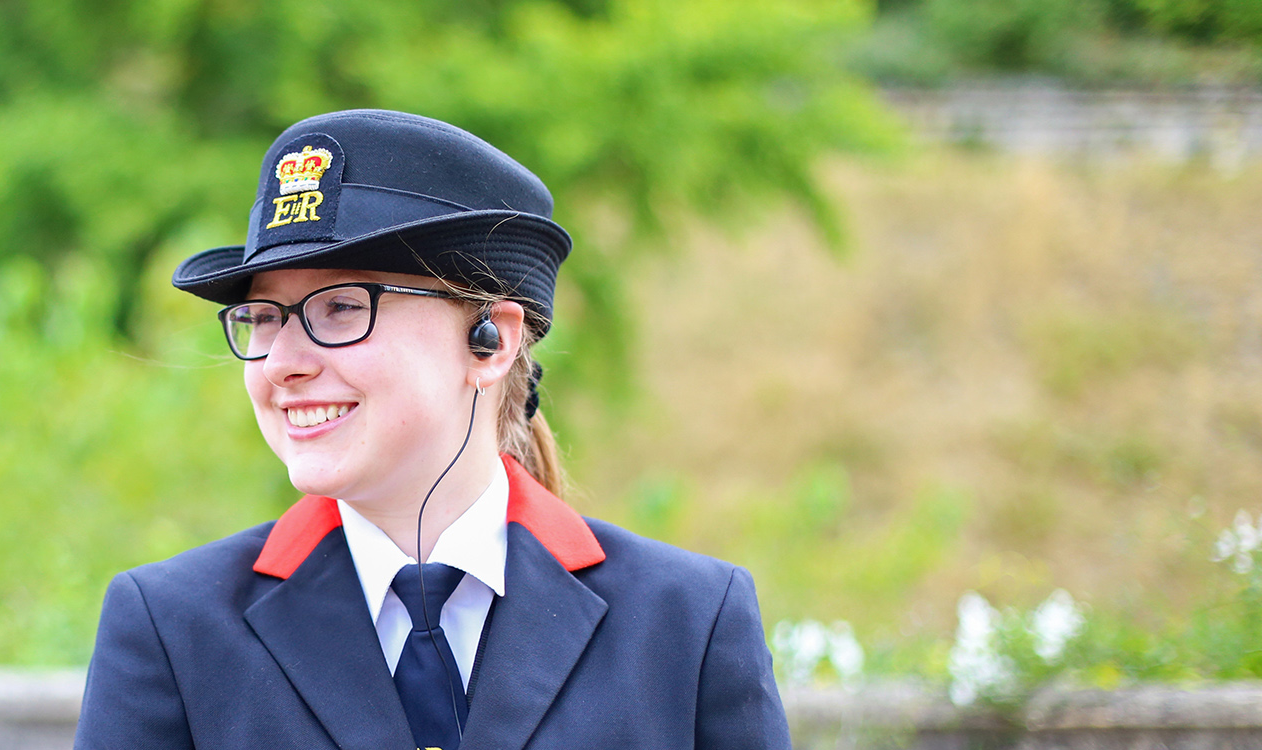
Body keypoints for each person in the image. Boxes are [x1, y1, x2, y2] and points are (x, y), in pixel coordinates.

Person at [75, 109, 789, 749]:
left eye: (340, 308)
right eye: (264, 318)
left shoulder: (685, 625)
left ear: (491, 341)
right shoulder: (174, 628)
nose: (282, 362)